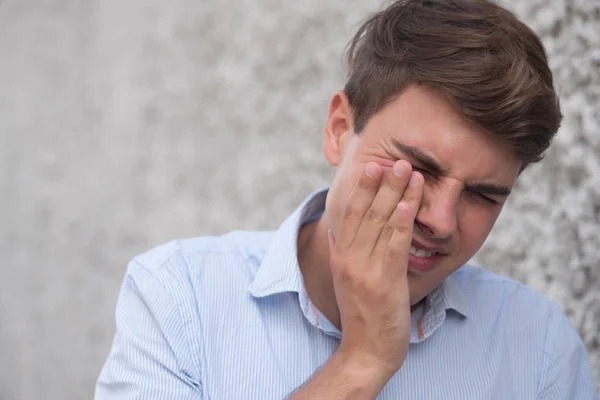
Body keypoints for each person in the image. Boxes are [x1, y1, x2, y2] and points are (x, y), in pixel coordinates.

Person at [95, 0, 598, 398]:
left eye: (483, 196)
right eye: (416, 168)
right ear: (339, 129)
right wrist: (361, 364)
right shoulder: (180, 298)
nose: (442, 221)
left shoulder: (539, 347)